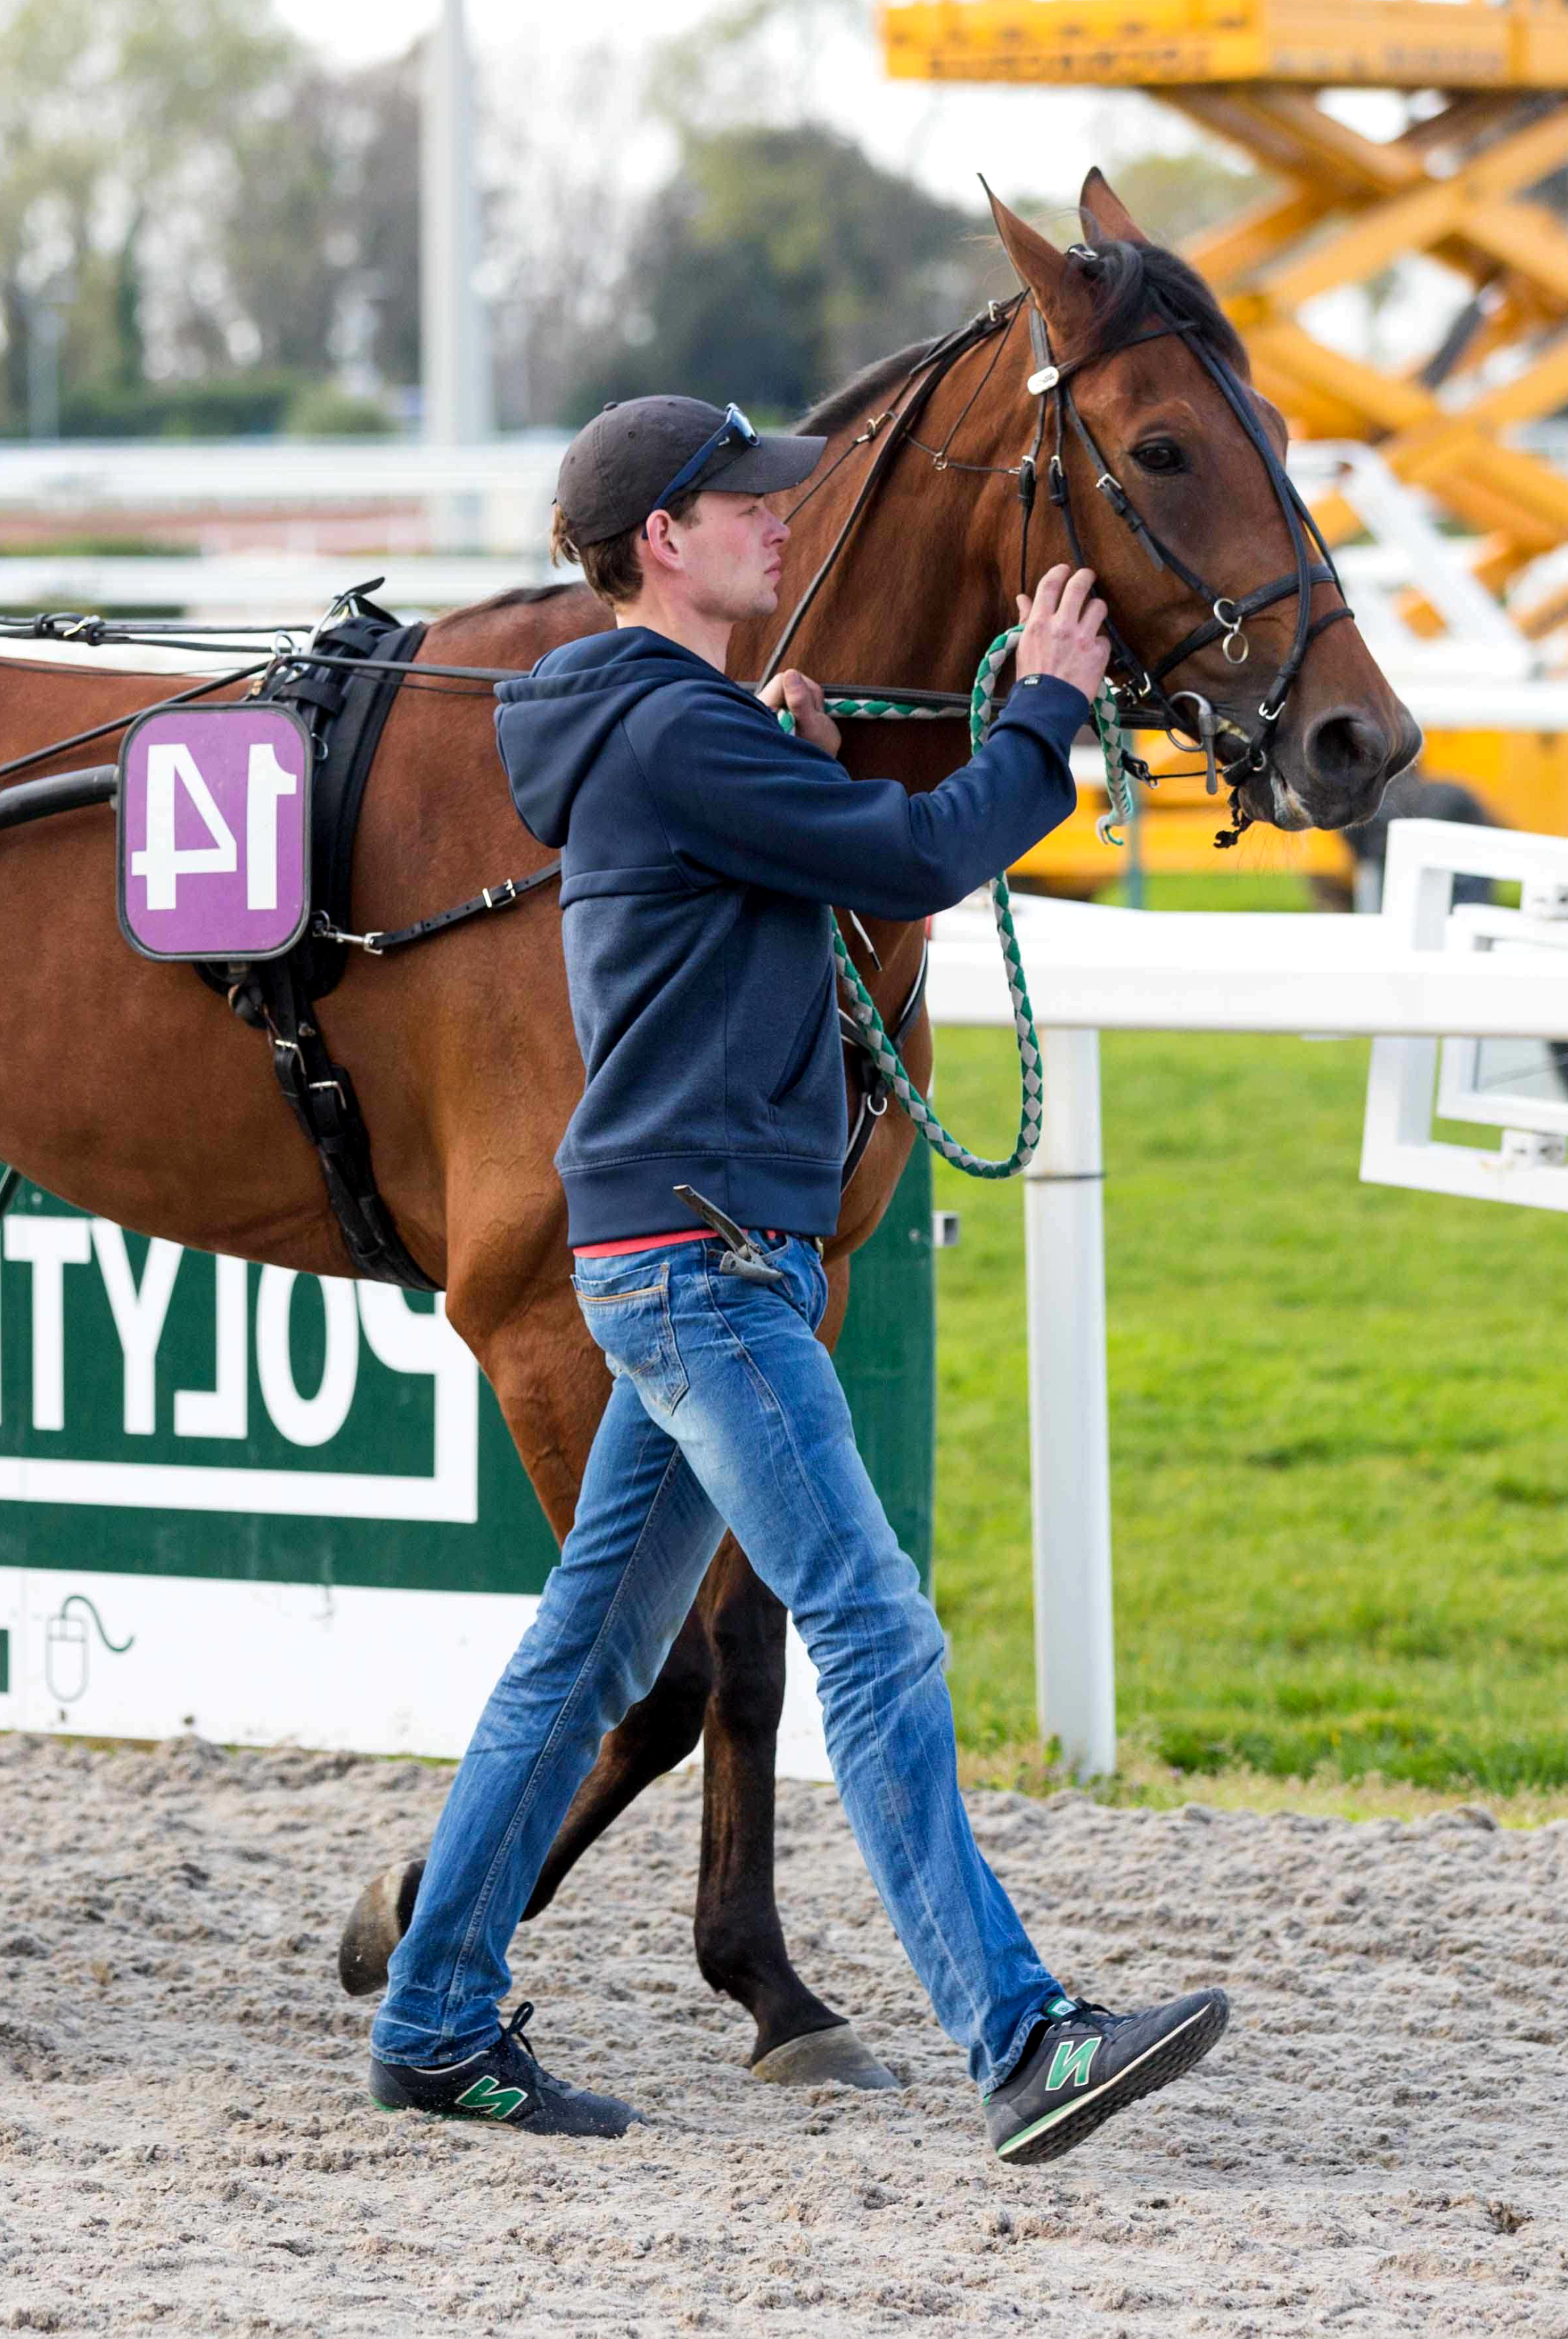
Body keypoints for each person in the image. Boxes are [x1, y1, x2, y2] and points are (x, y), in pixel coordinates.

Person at [366, 398, 1229, 2162]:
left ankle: (436, 2017)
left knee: (584, 1662)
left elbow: (789, 861)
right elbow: (922, 858)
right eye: (746, 503)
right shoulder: (676, 731)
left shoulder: (662, 724)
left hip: (669, 1246)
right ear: (660, 542)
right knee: (872, 1623)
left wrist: (804, 760)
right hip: (708, 1262)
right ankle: (1024, 2038)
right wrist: (1052, 700)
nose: (784, 520)